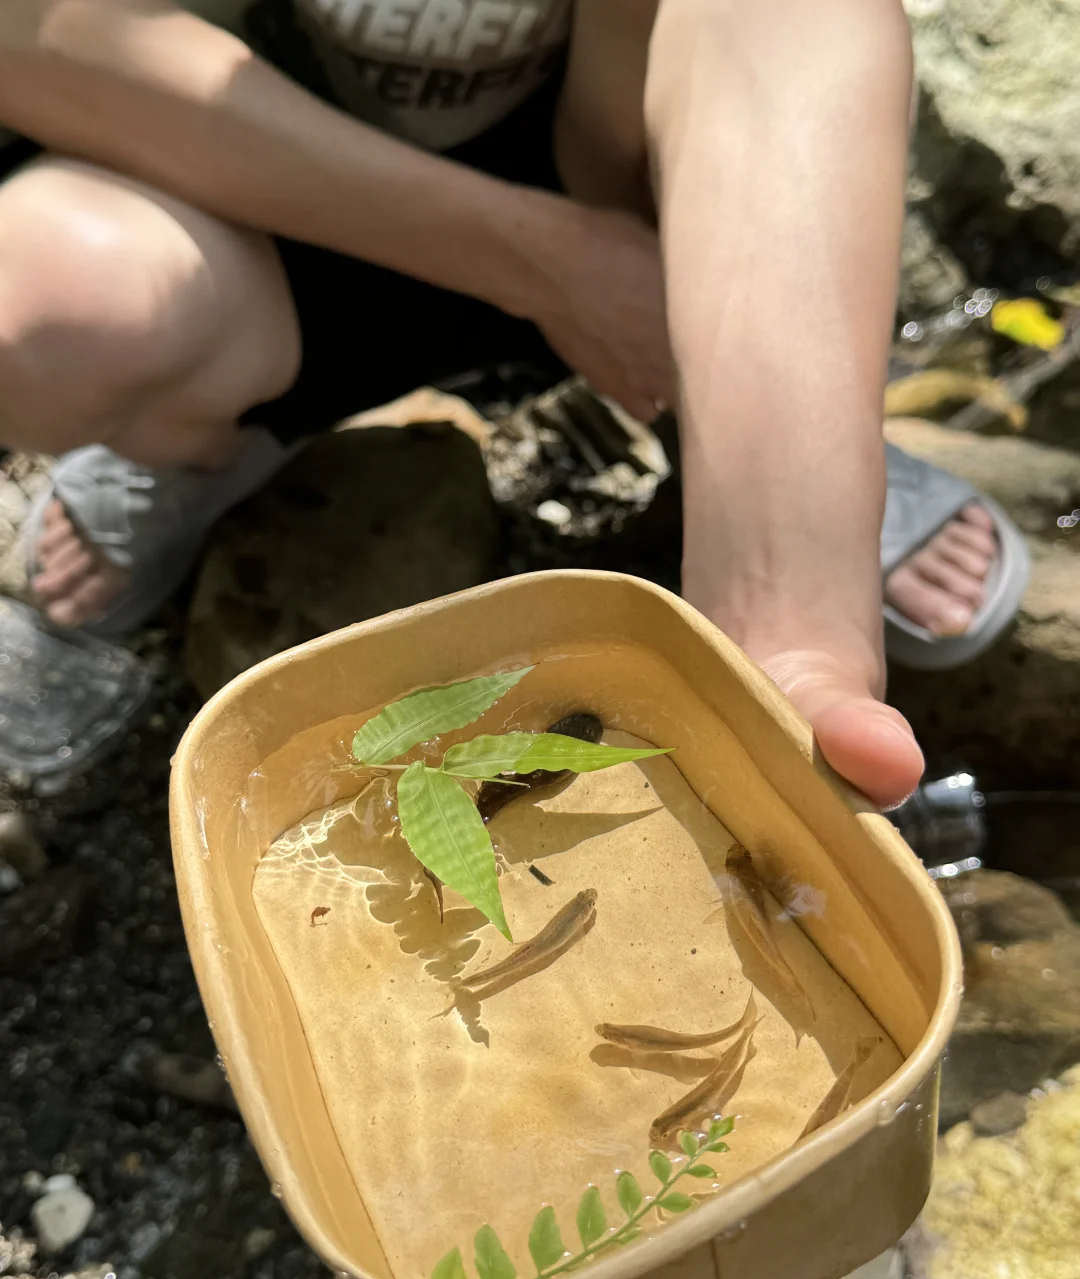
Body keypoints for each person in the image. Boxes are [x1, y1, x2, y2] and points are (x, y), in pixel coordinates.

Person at [0, 0, 1027, 809]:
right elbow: (35, 36)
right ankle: (191, 447)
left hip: (639, 208)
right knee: (37, 301)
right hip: (261, 202)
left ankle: (784, 519)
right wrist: (540, 262)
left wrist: (597, 234)